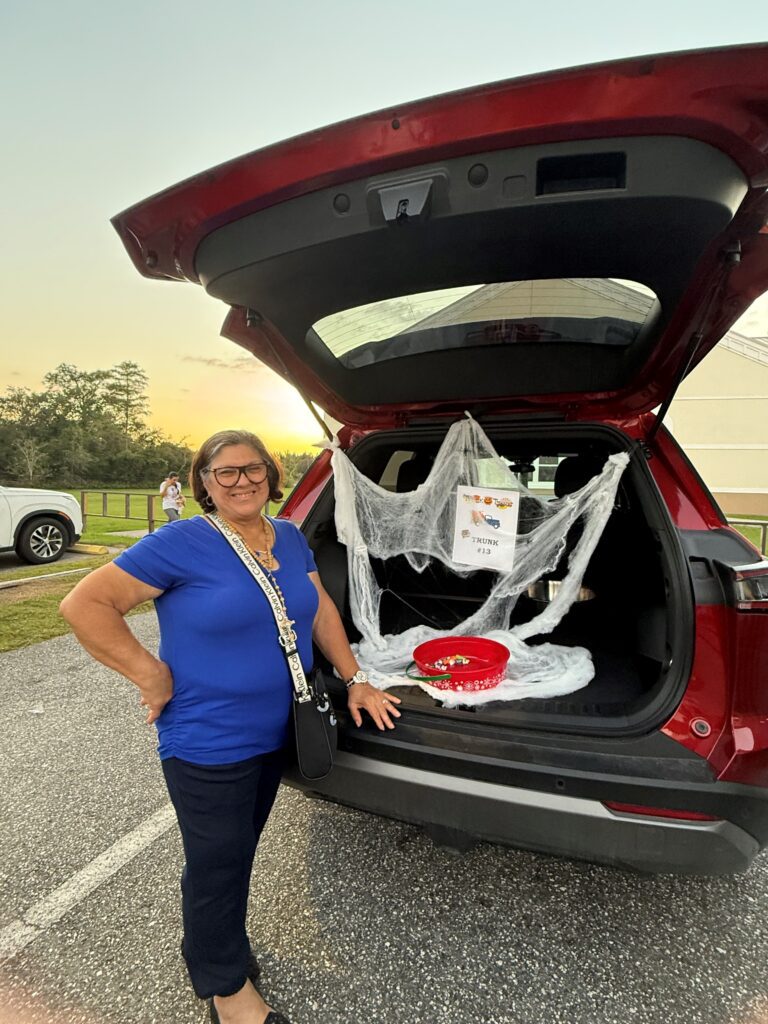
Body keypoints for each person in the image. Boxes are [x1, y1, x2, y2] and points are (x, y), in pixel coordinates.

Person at [60, 429, 401, 1024]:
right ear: (205, 485)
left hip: (277, 732)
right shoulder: (183, 542)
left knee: (237, 851)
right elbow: (84, 604)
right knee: (218, 861)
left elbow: (317, 607)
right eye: (226, 472)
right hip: (207, 740)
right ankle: (225, 988)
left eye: (254, 470)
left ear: (271, 476)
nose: (243, 480)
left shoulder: (289, 536)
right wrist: (150, 675)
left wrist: (356, 678)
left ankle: (216, 945)